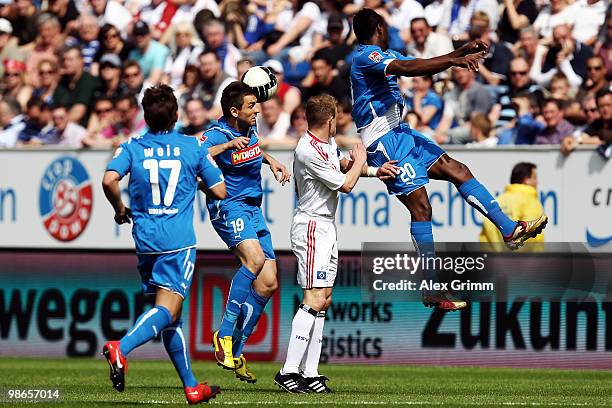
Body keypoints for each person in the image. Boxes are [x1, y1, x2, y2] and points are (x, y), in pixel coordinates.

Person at [350, 8, 547, 311]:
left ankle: (509, 229)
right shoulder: (366, 56)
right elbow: (409, 66)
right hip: (383, 141)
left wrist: (458, 52)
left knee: (458, 170)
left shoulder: (381, 53)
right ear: (379, 27)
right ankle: (430, 288)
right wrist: (453, 60)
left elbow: (414, 63)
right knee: (421, 207)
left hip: (403, 133)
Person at [101, 84, 225, 404]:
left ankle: (191, 386)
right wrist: (196, 183)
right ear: (176, 114)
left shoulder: (132, 145)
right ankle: (121, 348)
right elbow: (220, 190)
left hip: (145, 239)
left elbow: (108, 180)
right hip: (177, 241)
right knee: (166, 310)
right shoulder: (190, 146)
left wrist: (119, 210)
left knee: (172, 315)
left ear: (145, 115)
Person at [274, 94, 398, 394]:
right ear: (330, 119)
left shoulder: (325, 143)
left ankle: (311, 372)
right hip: (312, 226)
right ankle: (288, 370)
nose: (340, 122)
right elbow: (346, 183)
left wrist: (372, 170)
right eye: (338, 118)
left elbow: (342, 165)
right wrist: (362, 161)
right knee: (314, 298)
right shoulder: (307, 150)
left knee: (324, 299)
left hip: (326, 226)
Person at [202, 81, 290, 383]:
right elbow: (195, 155)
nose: (258, 110)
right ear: (233, 110)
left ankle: (236, 349)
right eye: (252, 106)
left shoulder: (249, 129)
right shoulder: (217, 134)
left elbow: (251, 150)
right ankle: (223, 336)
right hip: (228, 207)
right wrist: (226, 147)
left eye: (257, 105)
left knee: (268, 283)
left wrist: (271, 160)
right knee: (253, 261)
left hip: (254, 209)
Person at [480, 162, 544, 245]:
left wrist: (498, 253)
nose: (537, 182)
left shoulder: (499, 199)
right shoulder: (531, 201)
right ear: (526, 180)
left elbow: (487, 232)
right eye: (534, 178)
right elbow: (531, 233)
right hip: (524, 257)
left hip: (496, 256)